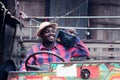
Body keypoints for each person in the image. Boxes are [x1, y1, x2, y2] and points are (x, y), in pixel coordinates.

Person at [19, 21, 90, 71]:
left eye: (53, 31)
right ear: (41, 35)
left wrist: (75, 36)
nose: (51, 33)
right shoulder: (34, 50)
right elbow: (24, 65)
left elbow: (85, 52)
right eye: (47, 32)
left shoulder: (65, 48)